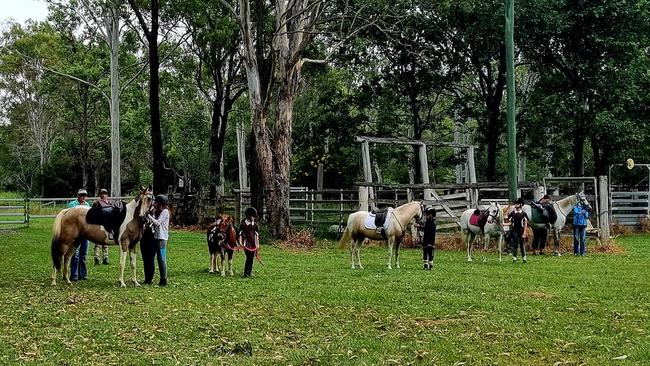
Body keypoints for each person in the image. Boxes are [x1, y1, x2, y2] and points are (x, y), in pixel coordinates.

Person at [147, 194, 170, 286]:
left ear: (160, 203)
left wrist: (148, 216)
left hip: (162, 239)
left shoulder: (165, 212)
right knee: (158, 258)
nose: (155, 204)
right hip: (157, 238)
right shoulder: (159, 211)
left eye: (156, 202)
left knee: (162, 259)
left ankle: (163, 279)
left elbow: (157, 223)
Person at [68, 189, 90, 280]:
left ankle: (83, 274)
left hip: (85, 232)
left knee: (83, 253)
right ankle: (74, 275)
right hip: (75, 232)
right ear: (78, 196)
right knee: (75, 253)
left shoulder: (88, 205)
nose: (83, 197)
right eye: (81, 195)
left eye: (84, 195)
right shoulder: (72, 205)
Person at [505, 197, 529, 263]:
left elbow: (525, 223)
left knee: (522, 244)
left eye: (517, 203)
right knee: (515, 244)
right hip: (514, 230)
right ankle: (514, 258)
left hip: (521, 230)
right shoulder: (512, 213)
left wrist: (524, 233)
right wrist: (504, 224)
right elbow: (510, 222)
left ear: (521, 204)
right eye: (515, 203)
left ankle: (524, 257)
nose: (515, 204)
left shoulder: (524, 214)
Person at [91, 188, 111, 265]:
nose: (103, 195)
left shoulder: (109, 203)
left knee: (106, 241)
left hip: (107, 224)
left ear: (107, 195)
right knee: (97, 241)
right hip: (98, 224)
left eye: (105, 193)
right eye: (102, 193)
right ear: (100, 194)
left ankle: (105, 257)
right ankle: (96, 257)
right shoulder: (97, 203)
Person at [239, 207, 259, 278]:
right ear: (249, 216)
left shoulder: (255, 225)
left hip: (253, 244)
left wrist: (257, 244)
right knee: (248, 257)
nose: (254, 218)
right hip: (246, 244)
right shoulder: (243, 224)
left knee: (251, 258)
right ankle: (245, 273)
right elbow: (240, 234)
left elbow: (256, 235)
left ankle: (249, 272)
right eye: (253, 216)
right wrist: (240, 242)